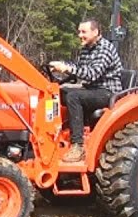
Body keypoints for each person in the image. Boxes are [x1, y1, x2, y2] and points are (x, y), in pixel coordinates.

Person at [48, 19, 123, 163]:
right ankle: (58, 133)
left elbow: (92, 73)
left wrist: (68, 69)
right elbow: (79, 66)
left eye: (83, 32)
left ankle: (78, 146)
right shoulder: (86, 48)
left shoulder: (105, 48)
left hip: (106, 91)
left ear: (95, 32)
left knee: (73, 97)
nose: (79, 35)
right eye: (79, 31)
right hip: (91, 89)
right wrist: (61, 65)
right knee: (57, 93)